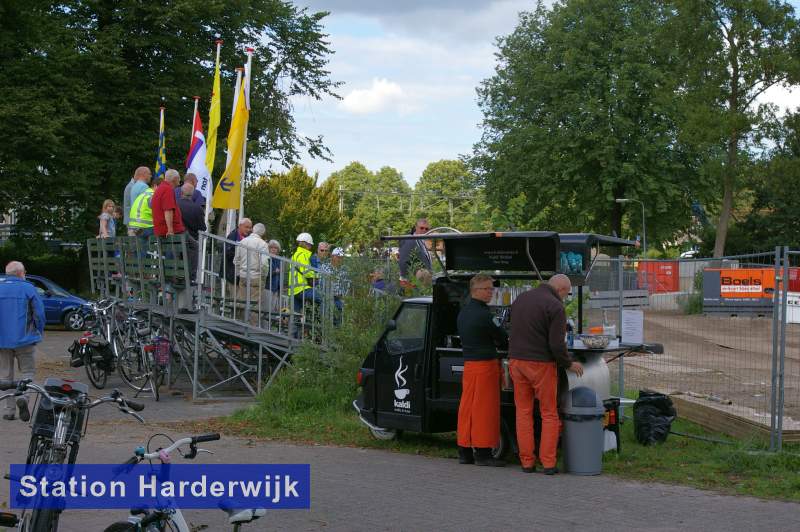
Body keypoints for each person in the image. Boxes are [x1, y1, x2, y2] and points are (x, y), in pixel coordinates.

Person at [509, 274, 584, 475]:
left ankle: (527, 462)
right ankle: (548, 463)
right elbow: (556, 344)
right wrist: (568, 363)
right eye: (566, 294)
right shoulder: (555, 306)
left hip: (516, 362)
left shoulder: (521, 298)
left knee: (523, 412)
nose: (565, 298)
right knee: (549, 413)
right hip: (540, 365)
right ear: (560, 289)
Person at [456, 274, 508, 467]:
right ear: (475, 291)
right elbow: (502, 337)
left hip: (469, 365)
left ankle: (465, 452)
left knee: (467, 409)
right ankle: (484, 453)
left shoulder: (463, 312)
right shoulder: (486, 315)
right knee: (485, 410)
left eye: (491, 289)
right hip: (485, 366)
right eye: (487, 289)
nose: (490, 292)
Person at [0, 261, 44, 422]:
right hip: (25, 339)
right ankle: (24, 397)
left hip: (2, 341)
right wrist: (39, 330)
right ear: (20, 273)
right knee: (27, 372)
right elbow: (39, 314)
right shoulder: (28, 288)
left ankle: (9, 411)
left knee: (5, 376)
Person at [234, 223, 269, 325]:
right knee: (254, 304)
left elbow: (236, 260)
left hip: (243, 276)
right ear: (263, 233)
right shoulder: (262, 244)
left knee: (241, 301)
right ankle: (252, 326)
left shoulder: (242, 242)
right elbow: (264, 264)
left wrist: (238, 273)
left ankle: (238, 324)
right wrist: (264, 276)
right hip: (256, 276)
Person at [290, 232, 322, 312]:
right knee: (323, 298)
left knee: (296, 315)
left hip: (294, 290)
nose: (310, 247)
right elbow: (306, 271)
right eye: (310, 245)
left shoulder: (295, 254)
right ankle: (322, 321)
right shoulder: (302, 254)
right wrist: (318, 275)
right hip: (302, 288)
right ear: (305, 244)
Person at [151, 169, 185, 237]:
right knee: (195, 246)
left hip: (160, 230)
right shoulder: (168, 189)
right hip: (172, 231)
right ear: (175, 179)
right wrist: (170, 230)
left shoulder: (160, 189)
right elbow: (168, 210)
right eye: (179, 178)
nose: (179, 181)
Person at [398, 218, 433, 285]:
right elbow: (403, 262)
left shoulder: (421, 242)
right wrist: (406, 280)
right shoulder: (409, 240)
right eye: (421, 228)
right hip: (412, 283)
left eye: (426, 229)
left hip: (423, 282)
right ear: (416, 227)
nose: (424, 230)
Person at [224, 218, 253, 286]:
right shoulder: (232, 236)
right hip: (232, 274)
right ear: (240, 226)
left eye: (250, 228)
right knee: (234, 295)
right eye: (246, 227)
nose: (248, 230)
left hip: (242, 275)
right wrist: (241, 256)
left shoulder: (248, 238)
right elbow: (228, 253)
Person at [125, 166, 153, 235]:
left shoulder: (134, 186)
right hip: (142, 224)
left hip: (134, 222)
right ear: (144, 174)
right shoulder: (144, 187)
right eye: (149, 174)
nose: (151, 176)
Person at [266, 240, 283, 313]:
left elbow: (280, 274)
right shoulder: (266, 257)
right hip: (267, 286)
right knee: (266, 308)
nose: (273, 249)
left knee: (272, 309)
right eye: (271, 248)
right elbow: (264, 272)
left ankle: (269, 324)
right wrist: (274, 272)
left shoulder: (279, 259)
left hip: (276, 288)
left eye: (275, 248)